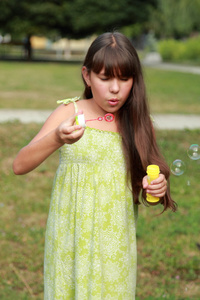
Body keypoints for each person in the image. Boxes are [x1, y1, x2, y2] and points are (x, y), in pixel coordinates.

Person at [13, 32, 177, 299]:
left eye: (125, 79)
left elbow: (144, 191)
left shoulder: (140, 125)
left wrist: (155, 190)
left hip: (114, 245)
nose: (115, 88)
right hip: (70, 239)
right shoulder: (69, 113)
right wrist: (56, 138)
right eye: (105, 78)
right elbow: (20, 164)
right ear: (87, 76)